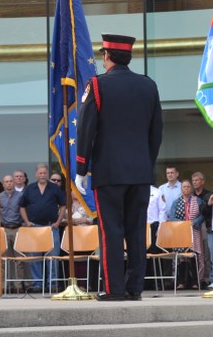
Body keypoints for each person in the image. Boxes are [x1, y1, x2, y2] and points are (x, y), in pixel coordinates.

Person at [75, 33, 163, 301]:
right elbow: (156, 131)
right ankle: (135, 287)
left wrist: (81, 167)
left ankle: (114, 288)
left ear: (107, 56)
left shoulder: (98, 86)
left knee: (111, 230)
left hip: (109, 171)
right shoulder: (148, 85)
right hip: (139, 172)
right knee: (137, 230)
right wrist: (147, 162)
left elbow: (87, 129)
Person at [18, 163, 66, 293]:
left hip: (51, 226)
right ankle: (37, 284)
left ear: (47, 174)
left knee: (53, 256)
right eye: (40, 173)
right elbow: (22, 206)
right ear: (36, 174)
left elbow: (63, 205)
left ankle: (53, 283)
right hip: (35, 227)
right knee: (35, 256)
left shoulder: (54, 188)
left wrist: (58, 222)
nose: (43, 175)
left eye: (45, 173)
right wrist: (27, 222)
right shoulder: (30, 188)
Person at [171, 180, 203, 290]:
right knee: (181, 257)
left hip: (194, 231)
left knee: (193, 256)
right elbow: (172, 217)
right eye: (184, 187)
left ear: (191, 188)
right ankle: (181, 282)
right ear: (181, 189)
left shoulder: (197, 201)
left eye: (188, 187)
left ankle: (195, 282)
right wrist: (183, 224)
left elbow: (202, 215)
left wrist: (193, 222)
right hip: (180, 232)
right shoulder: (176, 202)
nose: (186, 189)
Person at [0, 174, 24, 292]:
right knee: (3, 259)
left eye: (10, 181)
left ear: (13, 183)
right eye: (6, 182)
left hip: (17, 229)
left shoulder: (20, 196)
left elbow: (24, 211)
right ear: (3, 184)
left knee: (18, 260)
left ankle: (18, 286)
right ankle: (3, 286)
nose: (9, 183)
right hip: (4, 229)